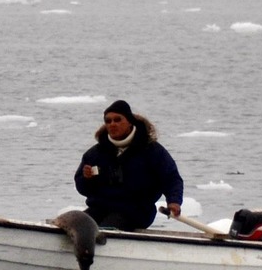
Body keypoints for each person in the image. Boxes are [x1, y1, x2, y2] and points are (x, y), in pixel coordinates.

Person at [74, 99, 184, 231]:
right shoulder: (94, 154)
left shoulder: (152, 151)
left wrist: (174, 201)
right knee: (76, 225)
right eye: (108, 121)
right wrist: (86, 179)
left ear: (130, 122)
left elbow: (171, 178)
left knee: (106, 229)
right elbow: (84, 189)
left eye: (117, 119)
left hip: (136, 211)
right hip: (100, 208)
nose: (112, 124)